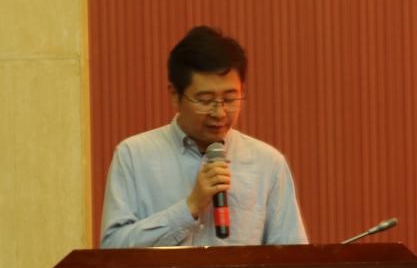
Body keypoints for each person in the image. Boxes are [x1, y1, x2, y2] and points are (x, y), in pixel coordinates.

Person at [99, 26, 308, 248]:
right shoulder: (133, 156)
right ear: (175, 95)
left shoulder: (268, 163)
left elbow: (292, 256)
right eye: (205, 100)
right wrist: (189, 208)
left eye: (230, 99)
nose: (219, 113)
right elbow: (112, 248)